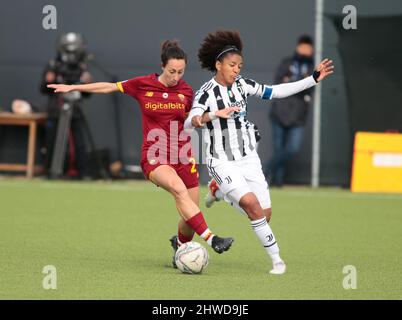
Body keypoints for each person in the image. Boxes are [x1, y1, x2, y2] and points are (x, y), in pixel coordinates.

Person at [47, 40, 235, 266]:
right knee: (177, 189)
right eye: (172, 71)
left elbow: (194, 120)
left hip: (184, 154)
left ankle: (181, 247)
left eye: (181, 72)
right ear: (162, 66)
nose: (176, 77)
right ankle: (213, 239)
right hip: (155, 155)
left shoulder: (186, 91)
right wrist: (74, 87)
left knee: (189, 216)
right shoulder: (142, 84)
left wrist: (213, 115)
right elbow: (108, 86)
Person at [185, 30, 334, 274]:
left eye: (240, 65)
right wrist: (212, 115)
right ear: (218, 64)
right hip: (221, 160)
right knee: (253, 207)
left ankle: (218, 191)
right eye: (232, 65)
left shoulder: (243, 85)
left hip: (248, 157)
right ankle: (277, 261)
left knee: (264, 214)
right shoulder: (207, 92)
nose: (236, 70)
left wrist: (313, 79)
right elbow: (190, 122)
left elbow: (275, 91)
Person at [263, 35, 316, 187]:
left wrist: (292, 81)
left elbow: (310, 88)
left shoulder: (312, 68)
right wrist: (300, 82)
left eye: (308, 48)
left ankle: (266, 168)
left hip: (298, 115)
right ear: (297, 47)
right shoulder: (287, 63)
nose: (305, 50)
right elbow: (278, 85)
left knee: (292, 148)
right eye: (302, 47)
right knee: (278, 148)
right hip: (279, 113)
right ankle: (277, 181)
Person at [40, 32, 93, 179]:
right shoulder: (53, 65)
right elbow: (43, 88)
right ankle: (50, 171)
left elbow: (87, 94)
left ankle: (82, 172)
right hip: (56, 109)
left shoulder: (82, 67)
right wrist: (48, 81)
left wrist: (86, 84)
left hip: (75, 109)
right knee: (52, 141)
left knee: (79, 142)